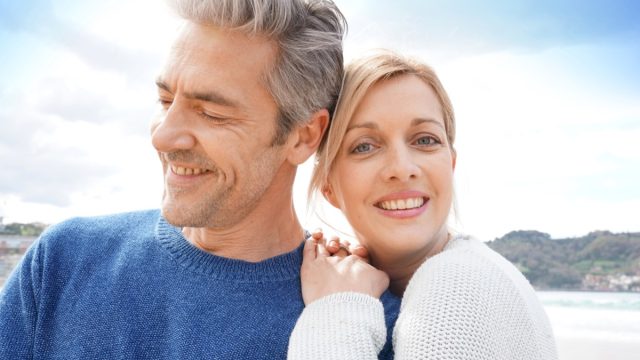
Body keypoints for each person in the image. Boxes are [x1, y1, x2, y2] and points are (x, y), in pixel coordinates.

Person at [0, 1, 402, 359]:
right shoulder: (63, 259)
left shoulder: (362, 325)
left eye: (211, 112)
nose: (162, 137)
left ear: (303, 136)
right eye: (164, 101)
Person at [288, 52, 558, 359]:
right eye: (365, 146)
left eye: (425, 140)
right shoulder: (475, 266)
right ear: (328, 187)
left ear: (451, 163)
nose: (402, 168)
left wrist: (336, 310)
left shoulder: (454, 285)